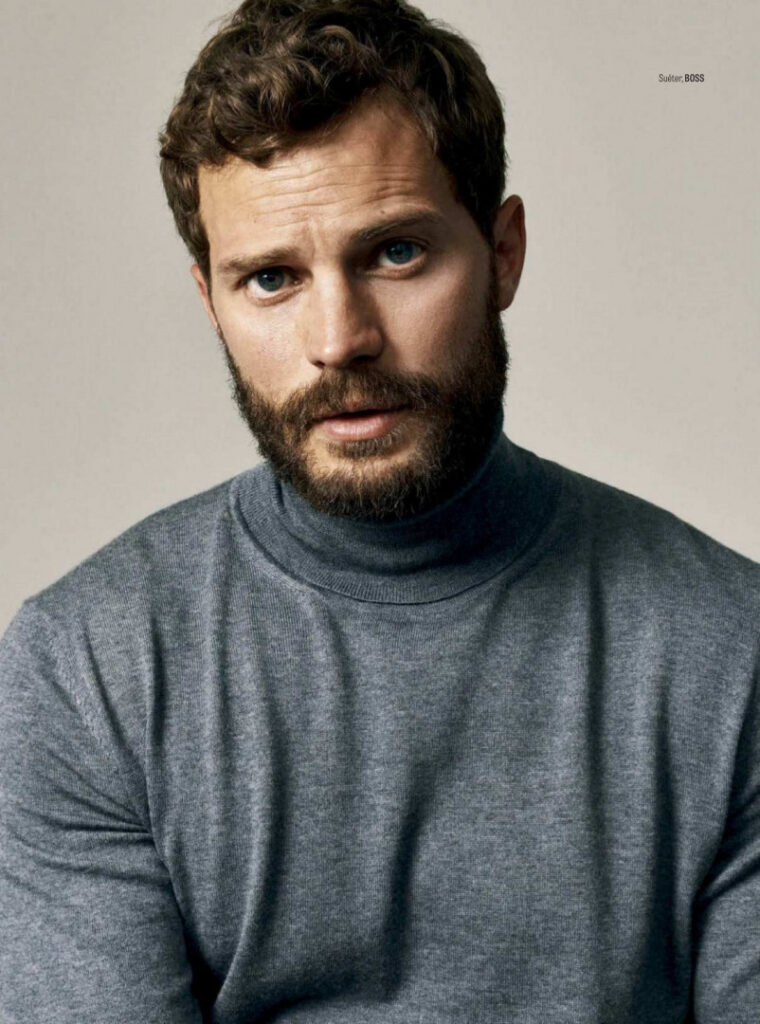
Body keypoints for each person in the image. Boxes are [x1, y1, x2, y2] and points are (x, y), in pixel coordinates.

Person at [1, 0, 758, 1020]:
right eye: (271, 278)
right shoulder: (87, 669)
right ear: (210, 302)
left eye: (396, 253)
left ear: (503, 252)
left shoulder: (731, 649)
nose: (339, 339)